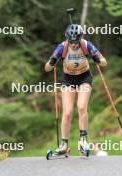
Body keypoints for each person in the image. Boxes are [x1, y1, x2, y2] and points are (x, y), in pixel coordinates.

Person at [45, 24, 107, 155]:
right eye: (71, 42)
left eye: (76, 42)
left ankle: (83, 140)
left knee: (81, 107)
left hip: (84, 78)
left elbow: (104, 61)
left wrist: (98, 59)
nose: (74, 45)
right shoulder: (62, 47)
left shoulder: (86, 45)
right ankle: (64, 144)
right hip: (68, 79)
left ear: (80, 38)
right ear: (67, 39)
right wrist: (51, 63)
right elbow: (47, 68)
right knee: (67, 112)